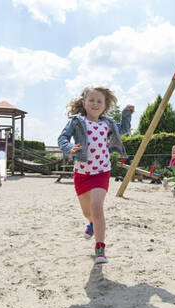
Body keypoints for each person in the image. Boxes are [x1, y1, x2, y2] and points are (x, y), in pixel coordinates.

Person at [58, 86, 129, 264]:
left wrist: (127, 114)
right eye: (91, 100)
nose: (95, 104)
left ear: (105, 106)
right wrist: (68, 148)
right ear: (84, 103)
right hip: (82, 173)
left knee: (97, 209)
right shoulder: (77, 121)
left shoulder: (108, 123)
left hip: (101, 171)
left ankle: (100, 248)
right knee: (87, 212)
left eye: (99, 101)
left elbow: (124, 130)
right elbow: (63, 138)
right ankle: (91, 224)